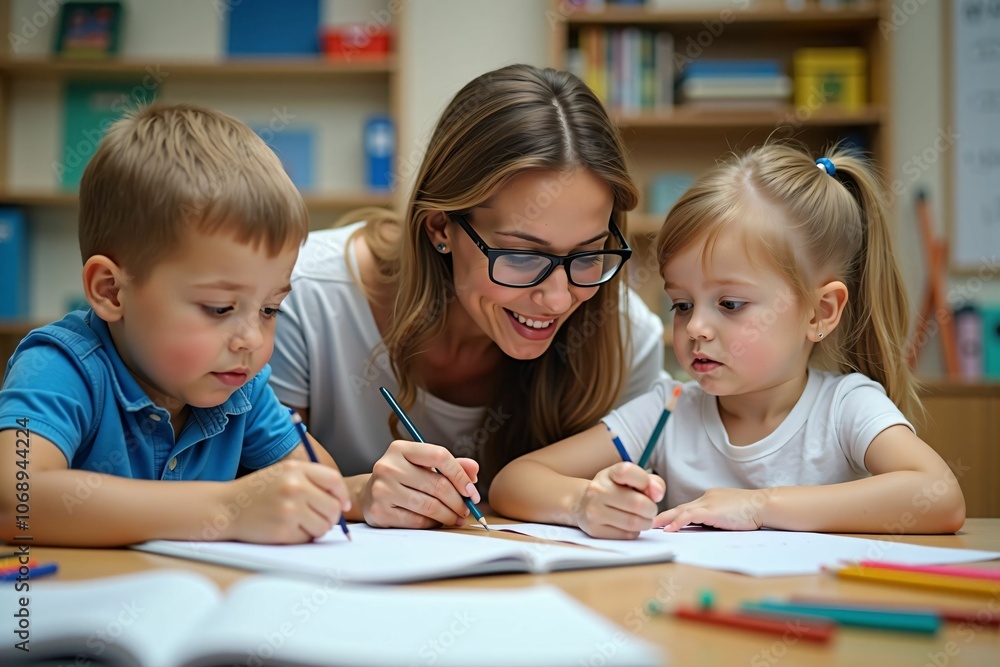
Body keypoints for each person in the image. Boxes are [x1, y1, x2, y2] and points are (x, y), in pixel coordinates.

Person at [490, 143, 966, 538]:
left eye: (730, 304)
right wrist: (585, 503)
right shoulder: (669, 409)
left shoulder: (846, 407)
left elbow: (940, 497)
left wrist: (759, 506)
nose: (696, 327)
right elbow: (514, 481)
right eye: (681, 305)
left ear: (820, 312)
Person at [270, 64, 668, 530]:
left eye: (588, 254)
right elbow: (249, 483)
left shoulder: (627, 337)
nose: (558, 300)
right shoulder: (299, 295)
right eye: (522, 256)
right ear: (441, 226)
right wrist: (358, 495)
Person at [0, 104, 351, 546]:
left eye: (269, 309)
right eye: (219, 308)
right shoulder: (58, 367)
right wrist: (229, 510)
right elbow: (16, 500)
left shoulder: (239, 390)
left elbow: (316, 486)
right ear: (111, 291)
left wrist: (365, 493)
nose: (250, 339)